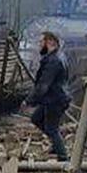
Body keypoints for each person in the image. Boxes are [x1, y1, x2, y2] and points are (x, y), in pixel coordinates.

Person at [27, 31, 71, 160]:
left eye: (42, 42)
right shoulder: (57, 57)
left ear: (50, 42)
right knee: (36, 118)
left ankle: (63, 157)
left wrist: (29, 101)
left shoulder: (53, 61)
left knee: (51, 128)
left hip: (55, 100)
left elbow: (43, 85)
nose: (39, 45)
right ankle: (57, 144)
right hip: (52, 98)